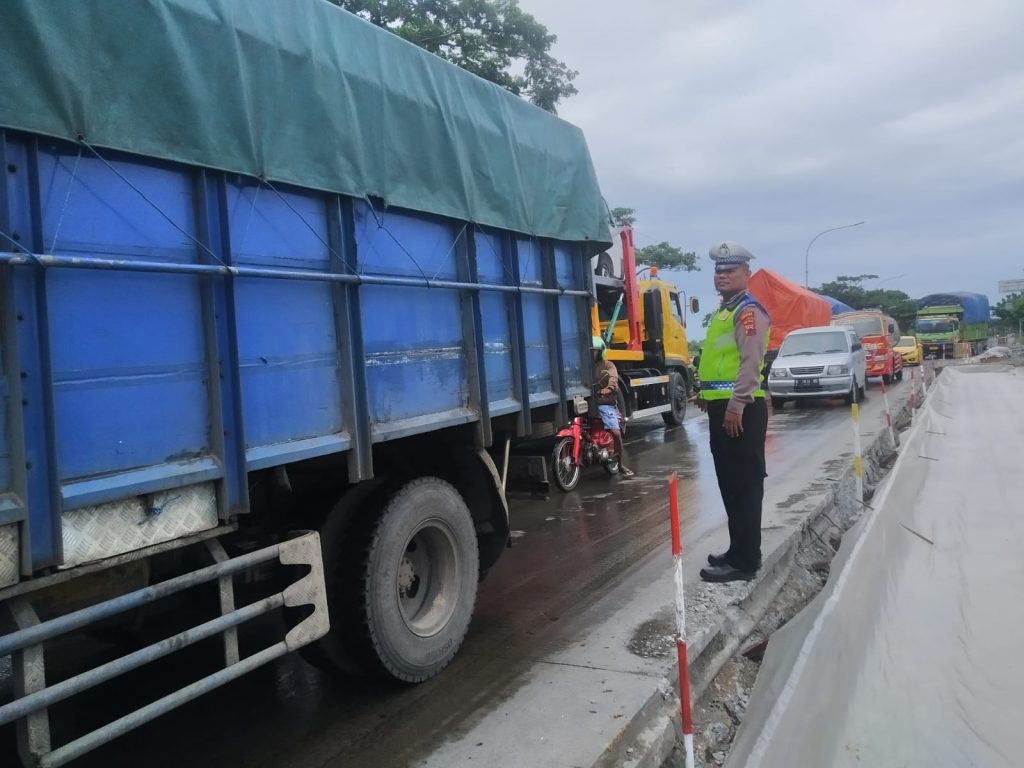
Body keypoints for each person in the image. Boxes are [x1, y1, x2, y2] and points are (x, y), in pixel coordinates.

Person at [696, 242, 770, 583]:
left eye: (730, 270)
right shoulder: (726, 310)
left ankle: (745, 562)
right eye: (718, 270)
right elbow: (719, 361)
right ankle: (737, 549)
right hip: (723, 408)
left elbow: (750, 363)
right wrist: (707, 394)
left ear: (747, 274)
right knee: (730, 483)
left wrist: (736, 405)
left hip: (740, 412)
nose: (722, 275)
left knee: (744, 485)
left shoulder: (749, 312)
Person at [592, 336, 635, 477]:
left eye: (595, 351)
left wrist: (608, 388)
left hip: (604, 403)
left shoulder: (608, 365)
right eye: (590, 351)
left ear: (601, 351)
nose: (592, 353)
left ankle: (621, 465)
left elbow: (613, 379)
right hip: (586, 404)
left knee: (616, 434)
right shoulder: (583, 367)